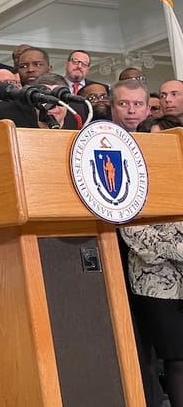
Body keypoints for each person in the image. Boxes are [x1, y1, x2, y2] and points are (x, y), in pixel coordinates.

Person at [121, 115, 183, 407]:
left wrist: (166, 246)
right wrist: (176, 248)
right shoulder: (131, 178)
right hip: (156, 283)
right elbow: (132, 230)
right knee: (176, 358)